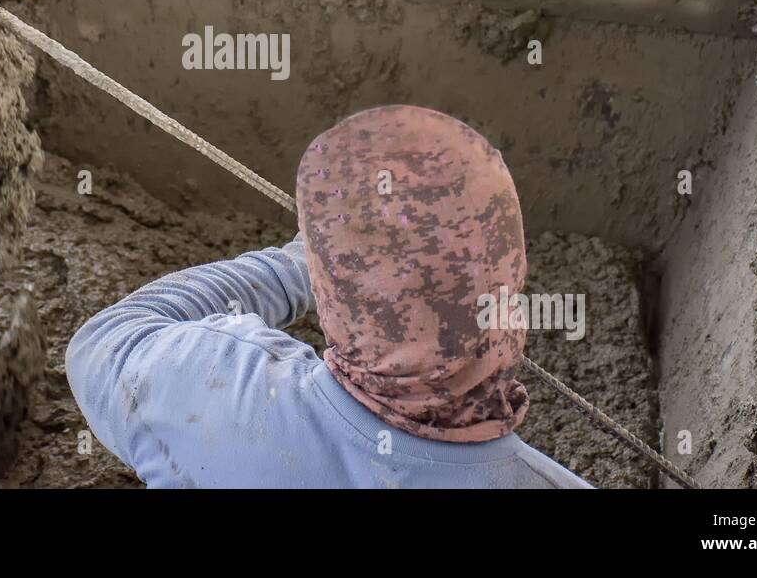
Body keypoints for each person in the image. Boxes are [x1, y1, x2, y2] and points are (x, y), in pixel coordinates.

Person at [66, 104, 591, 488]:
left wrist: (296, 265)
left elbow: (109, 338)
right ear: (511, 283)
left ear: (330, 292)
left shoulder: (214, 388)